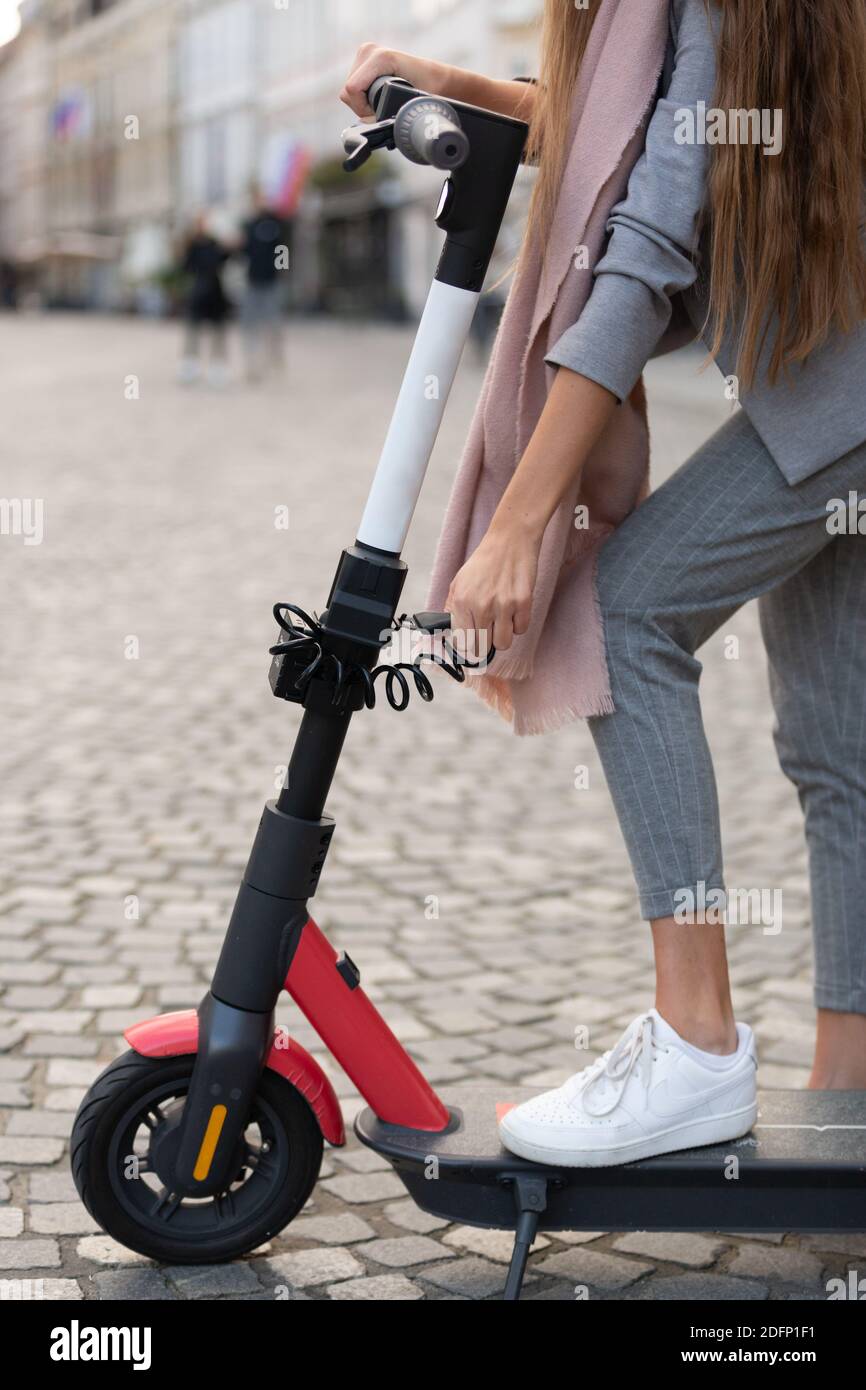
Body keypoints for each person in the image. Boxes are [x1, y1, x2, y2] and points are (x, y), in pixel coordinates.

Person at [340, 0, 866, 1168]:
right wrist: (445, 82)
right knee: (842, 751)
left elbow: (648, 233)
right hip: (831, 378)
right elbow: (634, 141)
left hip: (842, 389)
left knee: (625, 612)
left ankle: (693, 1042)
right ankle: (851, 1101)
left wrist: (524, 514)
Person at [239, 192, 289, 381]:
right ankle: (253, 364)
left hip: (272, 282)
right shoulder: (249, 225)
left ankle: (274, 359)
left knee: (274, 323)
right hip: (253, 281)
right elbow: (244, 252)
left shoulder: (276, 223)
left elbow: (283, 248)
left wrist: (281, 270)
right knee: (250, 325)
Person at [178, 215, 231, 387]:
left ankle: (218, 368)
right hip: (198, 293)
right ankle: (190, 367)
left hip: (215, 293)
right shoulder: (192, 245)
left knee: (218, 334)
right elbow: (185, 267)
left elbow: (226, 260)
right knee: (193, 333)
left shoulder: (215, 244)